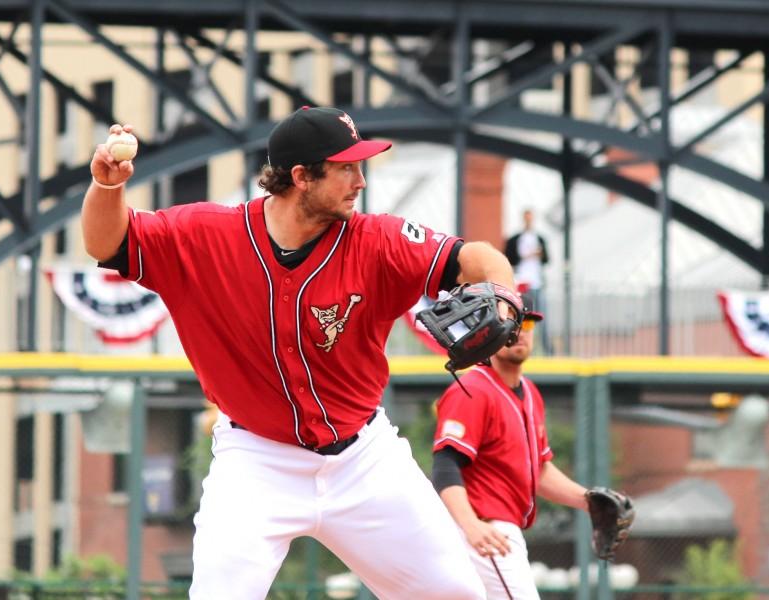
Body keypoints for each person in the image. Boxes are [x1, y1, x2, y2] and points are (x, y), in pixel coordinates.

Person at [82, 106, 520, 599]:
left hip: (365, 460)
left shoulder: (377, 240)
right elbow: (108, 242)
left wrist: (505, 294)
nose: (361, 180)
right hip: (256, 460)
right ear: (301, 177)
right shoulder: (206, 234)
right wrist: (108, 187)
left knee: (457, 593)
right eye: (346, 168)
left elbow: (476, 258)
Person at [431, 295, 590, 599]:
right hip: (482, 530)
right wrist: (471, 526)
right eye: (512, 322)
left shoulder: (529, 392)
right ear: (488, 329)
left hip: (500, 533)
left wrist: (587, 501)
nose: (521, 332)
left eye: (527, 323)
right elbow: (445, 466)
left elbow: (537, 470)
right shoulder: (472, 389)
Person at [504, 209, 550, 353]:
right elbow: (509, 258)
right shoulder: (516, 239)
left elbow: (547, 259)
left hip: (537, 283)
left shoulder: (539, 238)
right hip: (522, 284)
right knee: (522, 319)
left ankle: (546, 350)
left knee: (541, 320)